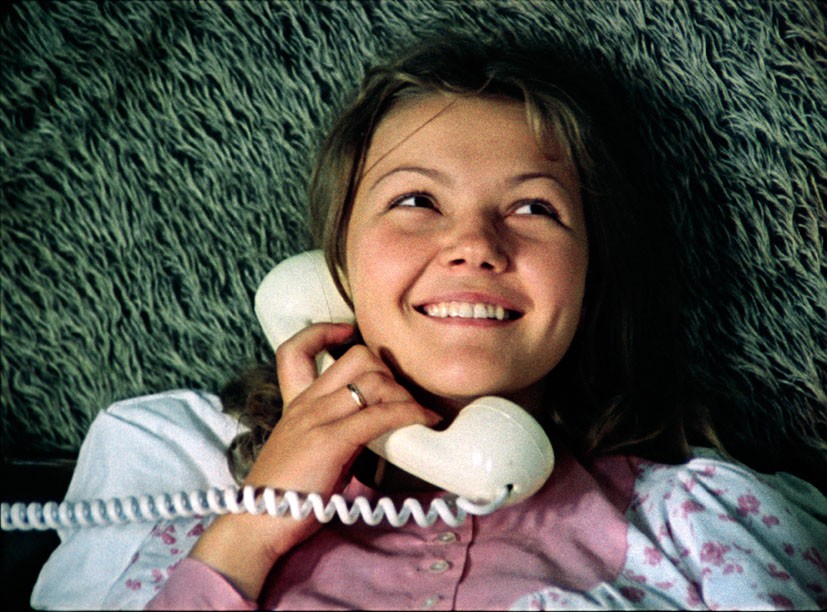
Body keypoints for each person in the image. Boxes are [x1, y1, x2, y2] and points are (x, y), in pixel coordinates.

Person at [141, 34, 826, 610]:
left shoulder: (702, 527)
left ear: (590, 275)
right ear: (333, 272)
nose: (475, 245)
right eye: (416, 200)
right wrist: (254, 529)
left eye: (533, 208)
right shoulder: (179, 500)